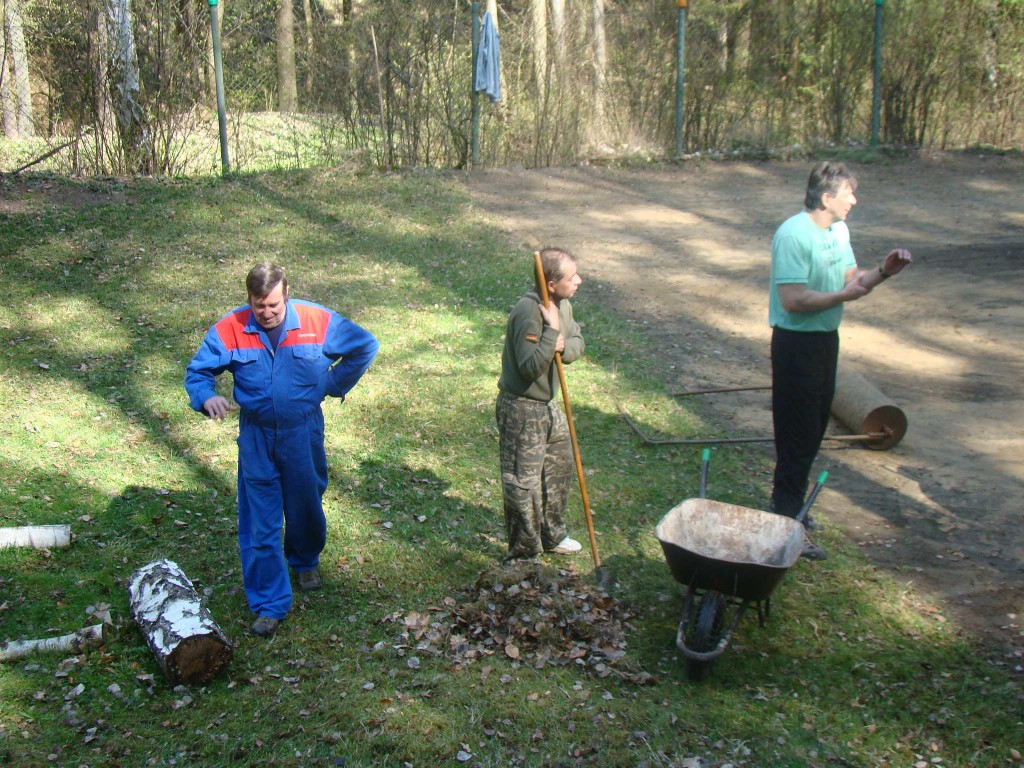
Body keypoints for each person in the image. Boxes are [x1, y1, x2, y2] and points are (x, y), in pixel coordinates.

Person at [185, 263, 379, 637]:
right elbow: (198, 371)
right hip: (257, 437)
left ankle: (305, 560)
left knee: (306, 503)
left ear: (286, 294)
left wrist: (332, 383)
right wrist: (206, 396)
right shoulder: (231, 327)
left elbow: (365, 345)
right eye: (259, 305)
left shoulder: (317, 321)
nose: (267, 312)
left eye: (273, 304)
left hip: (303, 432)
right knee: (260, 521)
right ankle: (269, 604)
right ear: (249, 299)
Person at [769, 162, 911, 560]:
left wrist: (883, 272)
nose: (855, 200)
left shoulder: (838, 231)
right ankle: (787, 521)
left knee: (814, 428)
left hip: (825, 340)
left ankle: (789, 504)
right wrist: (843, 297)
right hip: (795, 345)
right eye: (849, 192)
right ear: (826, 197)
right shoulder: (794, 235)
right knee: (796, 434)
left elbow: (853, 281)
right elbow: (793, 300)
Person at [496, 248, 586, 560]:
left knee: (558, 469)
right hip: (522, 408)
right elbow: (529, 367)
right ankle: (524, 553)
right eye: (571, 277)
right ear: (550, 284)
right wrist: (551, 335)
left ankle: (552, 536)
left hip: (547, 405)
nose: (578, 280)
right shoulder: (528, 312)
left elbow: (578, 342)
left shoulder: (563, 305)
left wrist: (561, 345)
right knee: (523, 484)